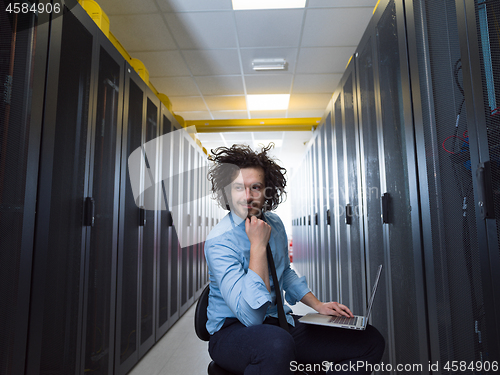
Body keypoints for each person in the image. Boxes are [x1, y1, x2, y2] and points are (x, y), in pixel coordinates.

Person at [204, 143, 384, 375]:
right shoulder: (219, 241)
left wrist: (317, 305)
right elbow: (250, 317)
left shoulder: (275, 224)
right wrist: (257, 246)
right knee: (276, 345)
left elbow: (284, 272)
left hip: (278, 324)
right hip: (231, 333)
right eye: (239, 187)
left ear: (268, 190)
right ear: (227, 191)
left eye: (255, 187)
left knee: (370, 340)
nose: (247, 196)